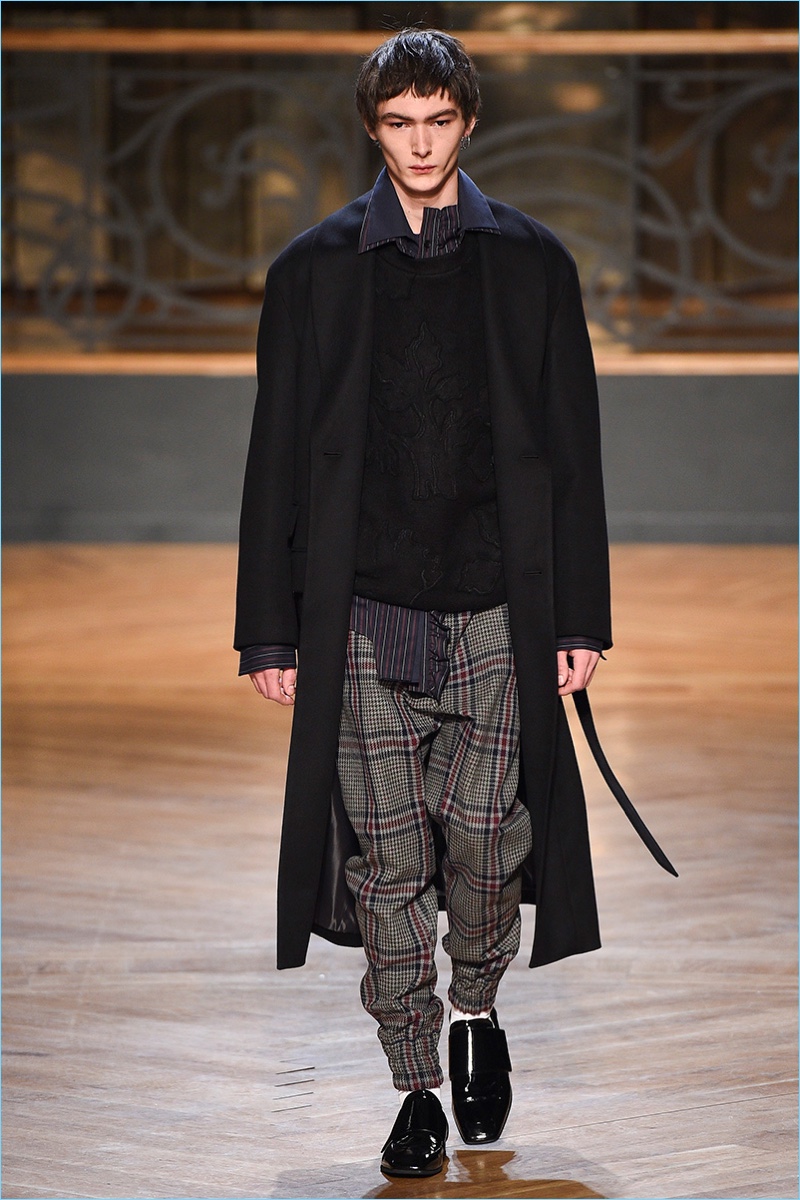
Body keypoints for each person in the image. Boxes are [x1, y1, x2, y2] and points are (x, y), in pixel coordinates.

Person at [235, 28, 611, 1178]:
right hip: (361, 614)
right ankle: (412, 1085)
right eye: (397, 123)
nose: (418, 143)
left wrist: (578, 618)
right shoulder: (311, 272)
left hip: (495, 605)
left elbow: (571, 454)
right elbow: (276, 457)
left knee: (488, 846)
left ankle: (474, 1010)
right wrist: (269, 628)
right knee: (388, 867)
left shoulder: (532, 265)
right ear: (371, 128)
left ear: (467, 122)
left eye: (437, 120)